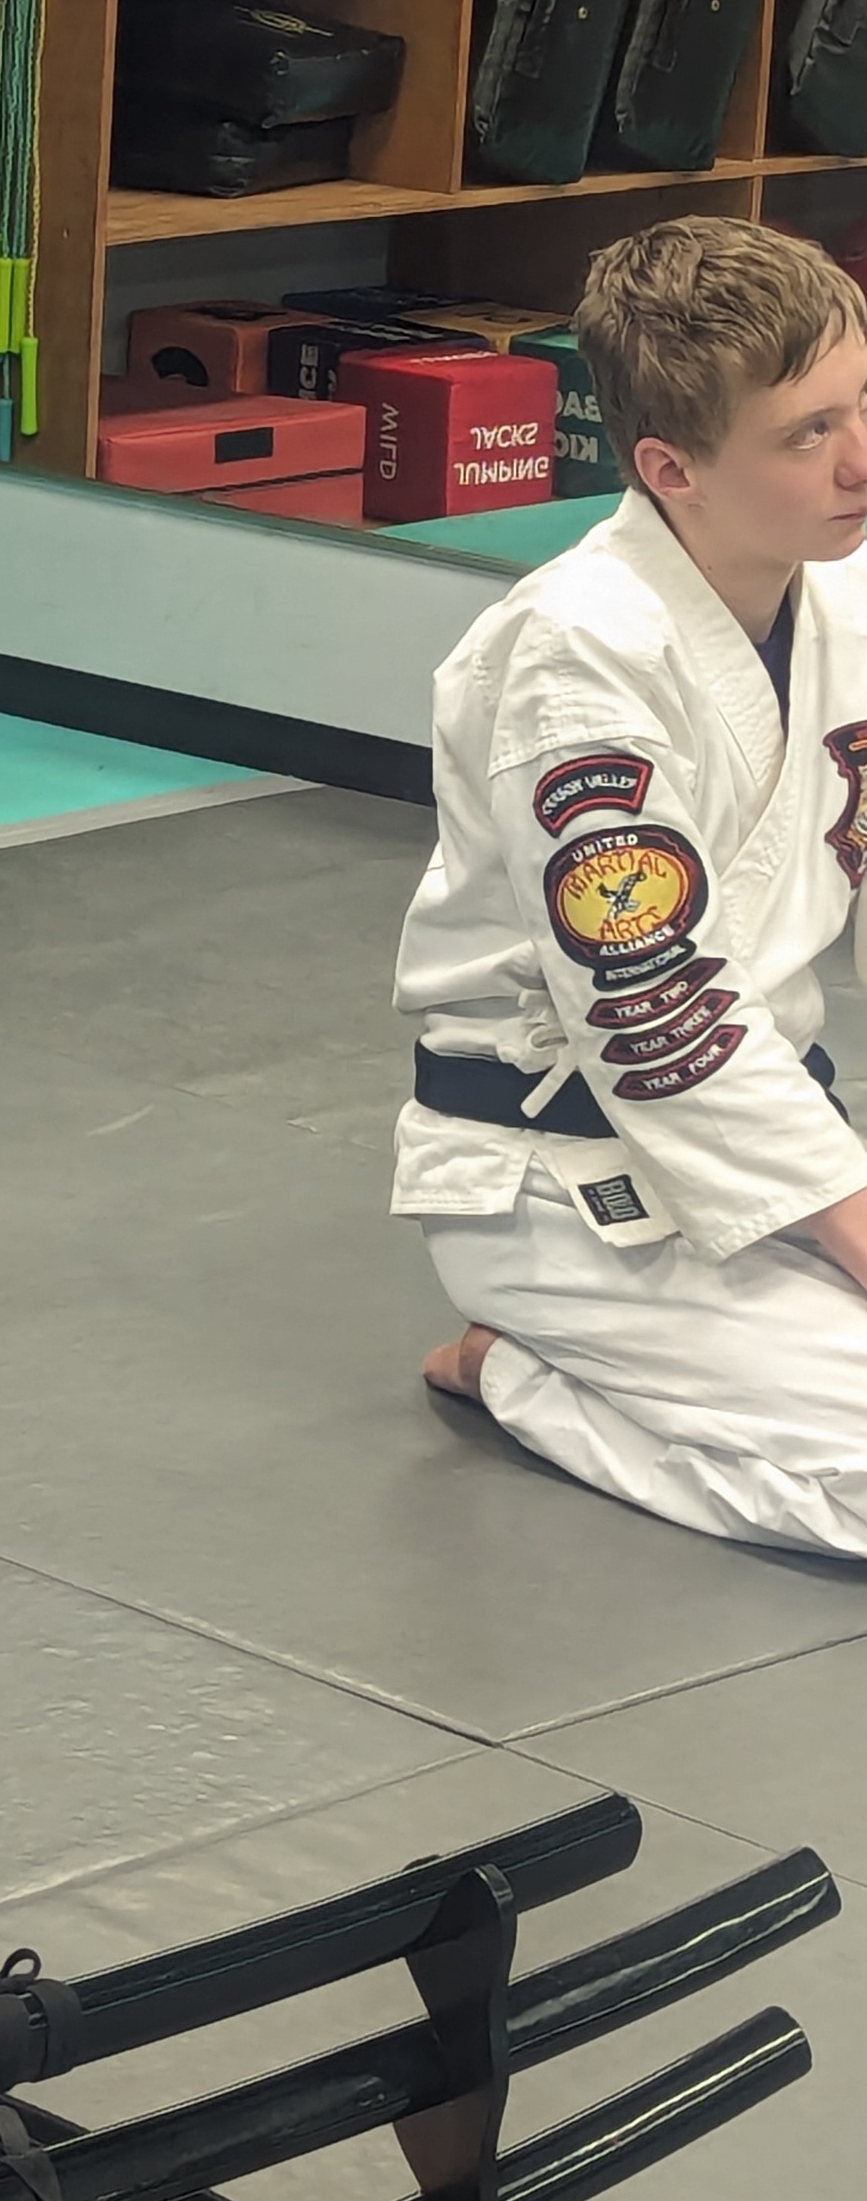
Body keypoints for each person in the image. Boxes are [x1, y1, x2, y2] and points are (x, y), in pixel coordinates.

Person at [396, 214, 867, 1552]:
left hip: (781, 1146)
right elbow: (653, 1006)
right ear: (671, 468)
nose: (860, 461)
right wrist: (857, 1231)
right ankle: (522, 1372)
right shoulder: (577, 663)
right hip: (564, 1183)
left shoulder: (846, 595)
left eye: (863, 404)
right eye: (803, 436)